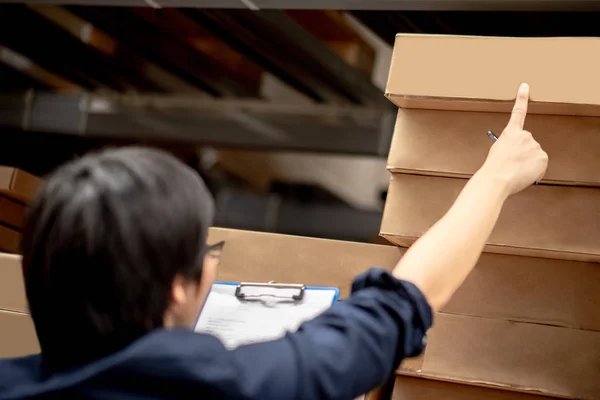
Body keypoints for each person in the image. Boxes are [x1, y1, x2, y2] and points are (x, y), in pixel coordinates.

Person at [0, 83, 547, 400]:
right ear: (173, 291)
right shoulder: (234, 387)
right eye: (203, 256)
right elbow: (402, 302)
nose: (211, 268)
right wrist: (497, 176)